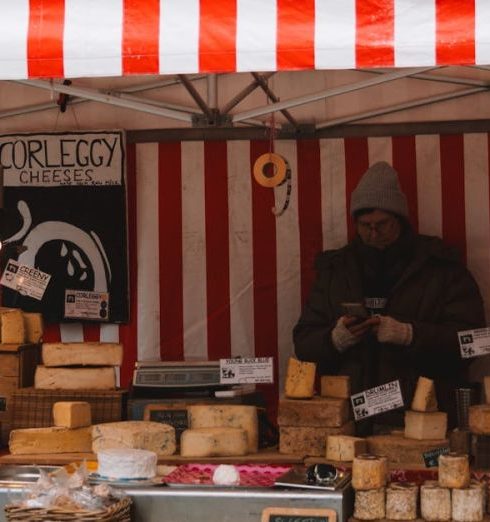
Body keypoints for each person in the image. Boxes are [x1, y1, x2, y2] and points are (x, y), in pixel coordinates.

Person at [293, 161, 485, 434]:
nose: (373, 233)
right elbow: (303, 343)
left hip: (422, 424)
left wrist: (410, 334)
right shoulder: (335, 270)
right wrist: (334, 339)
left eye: (382, 224)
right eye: (365, 225)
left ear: (401, 220)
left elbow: (475, 344)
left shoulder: (441, 267)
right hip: (350, 424)